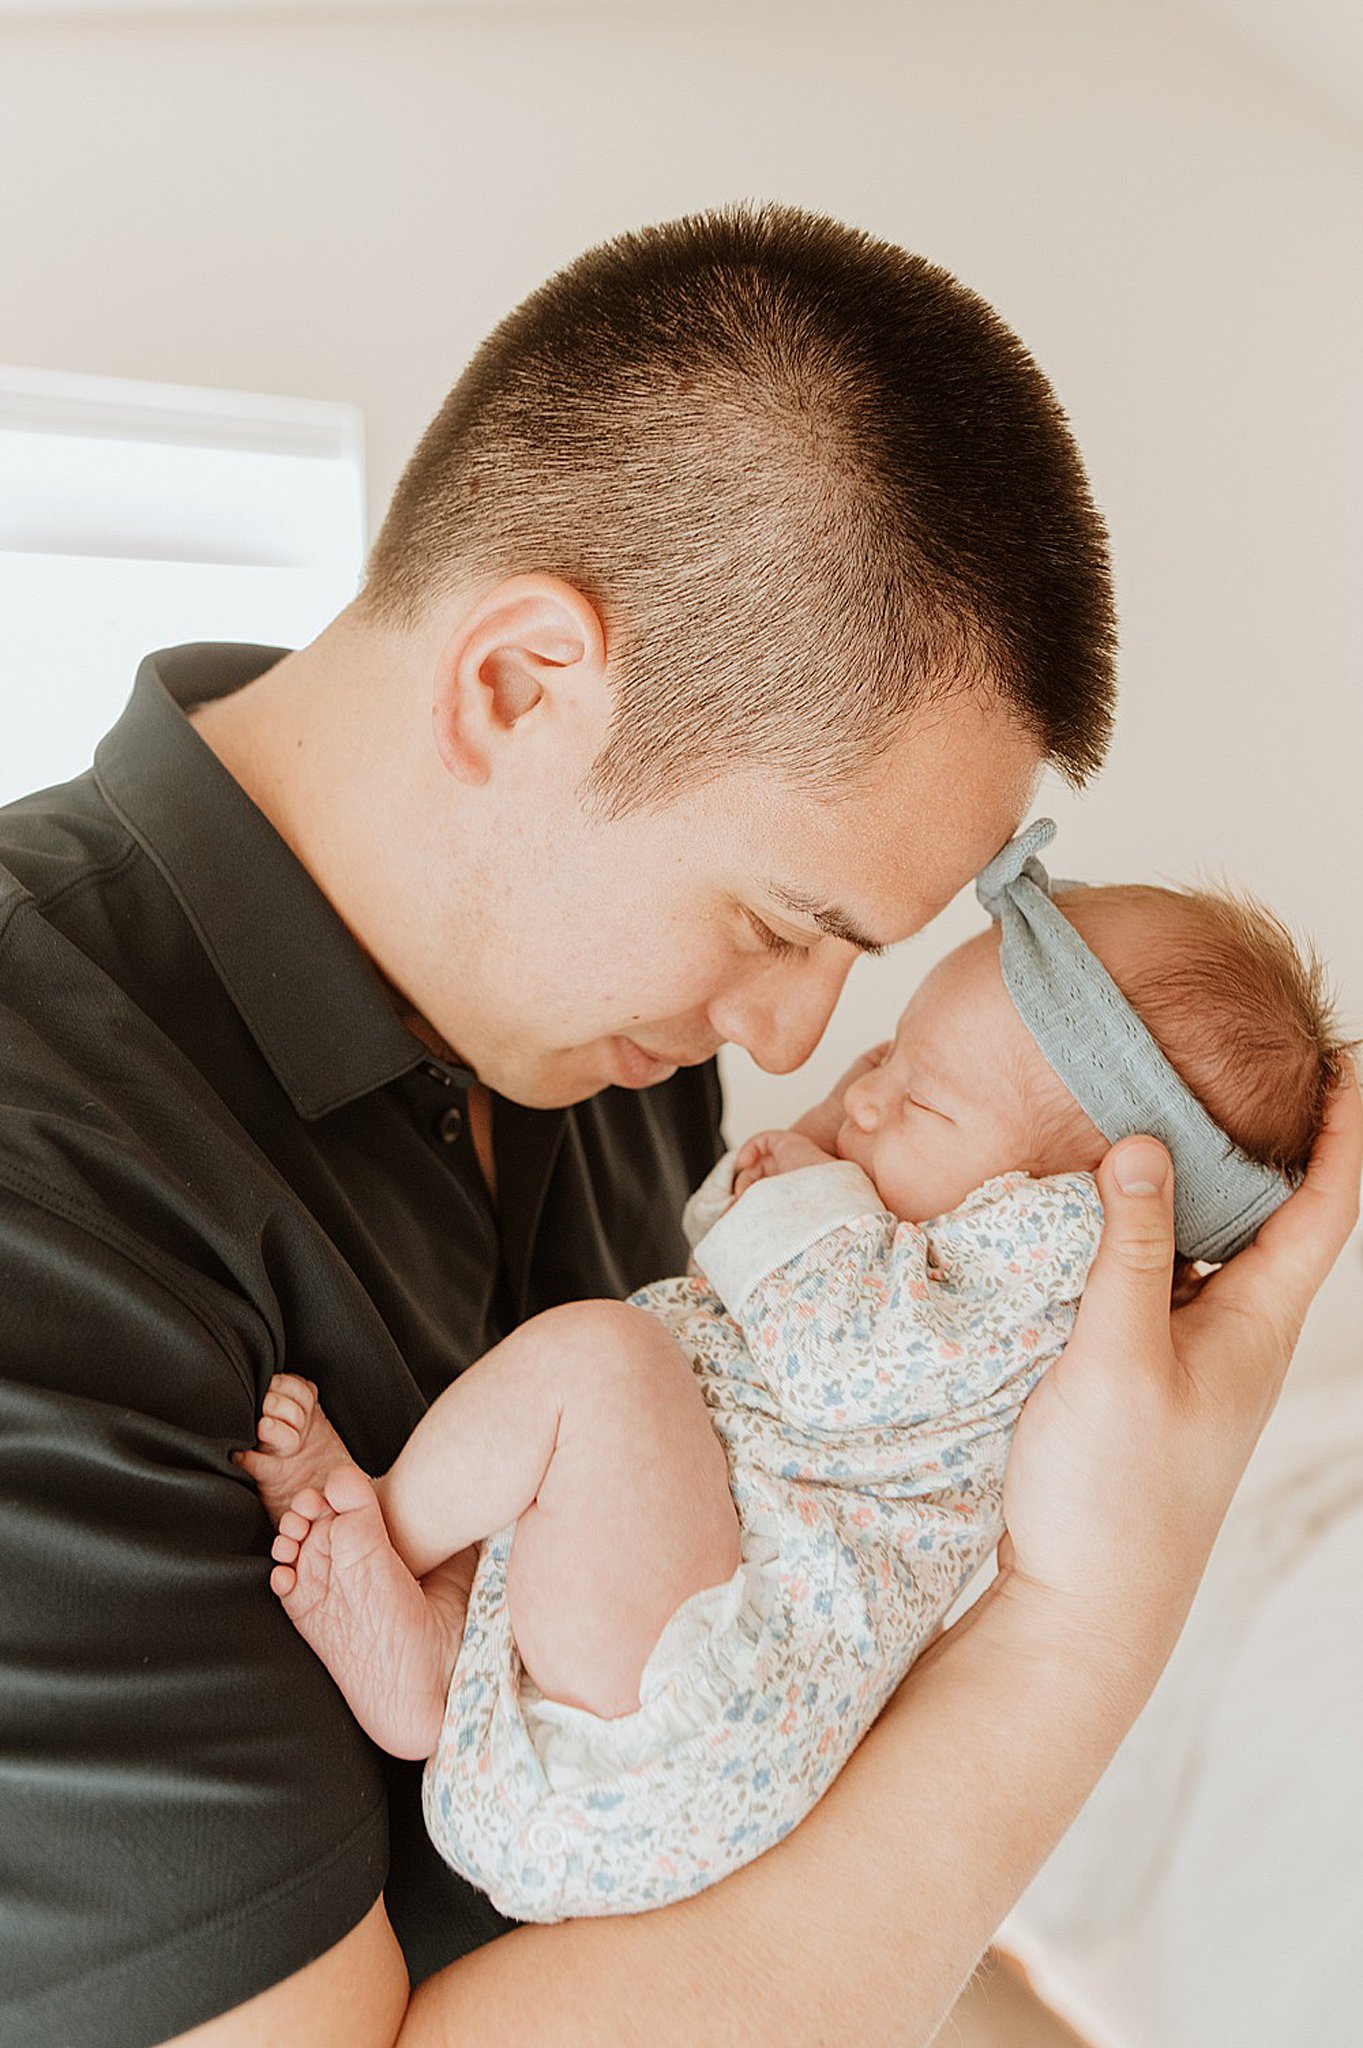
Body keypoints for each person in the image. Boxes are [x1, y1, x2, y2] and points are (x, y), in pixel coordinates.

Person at [0, 200, 1357, 2048]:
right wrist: (1080, 1616)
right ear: (519, 684)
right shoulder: (42, 1162)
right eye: (781, 923)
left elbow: (798, 1865)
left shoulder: (612, 1064)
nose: (799, 1036)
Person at [238, 823, 1352, 1926]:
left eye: (919, 1099)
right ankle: (437, 1651)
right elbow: (740, 1287)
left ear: (1058, 1207)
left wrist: (799, 1187)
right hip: (649, 1706)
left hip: (700, 1704)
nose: (863, 1095)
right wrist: (806, 1168)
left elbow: (830, 1357)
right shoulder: (949, 1272)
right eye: (886, 1057)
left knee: (599, 1360)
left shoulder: (1030, 1290)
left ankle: (374, 1532)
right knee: (592, 1447)